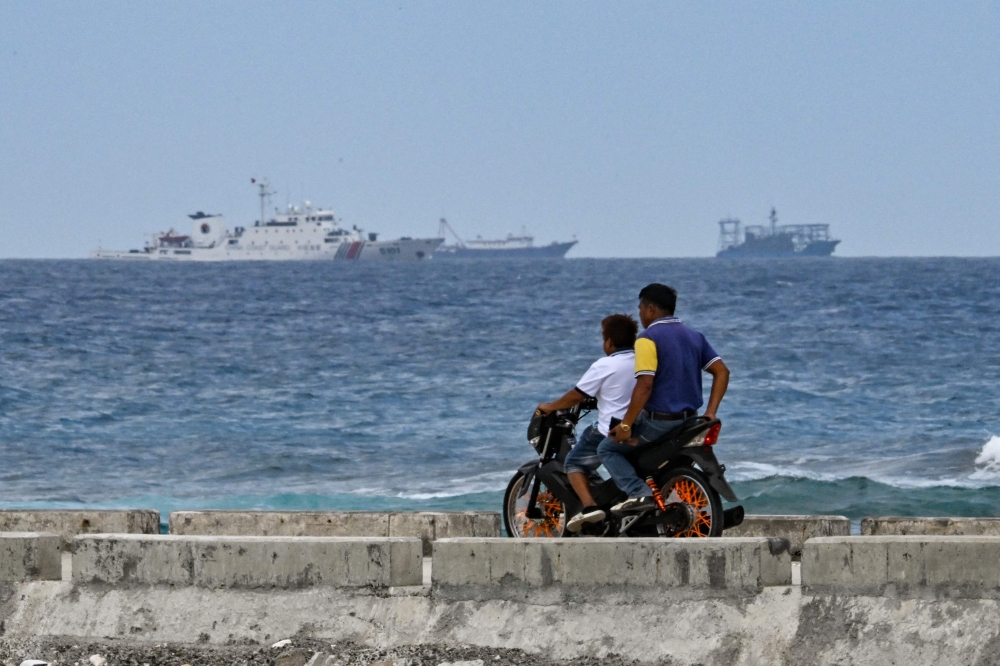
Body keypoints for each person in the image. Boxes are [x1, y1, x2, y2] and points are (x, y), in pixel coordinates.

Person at [598, 283, 730, 515]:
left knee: (608, 448)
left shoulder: (647, 338)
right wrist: (711, 412)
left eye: (640, 308)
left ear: (650, 309)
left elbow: (645, 384)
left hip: (660, 423)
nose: (639, 313)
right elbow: (722, 372)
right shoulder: (694, 337)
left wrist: (626, 425)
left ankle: (638, 493)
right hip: (690, 421)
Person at [536, 314, 638, 532]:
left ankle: (590, 508)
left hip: (612, 431)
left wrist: (551, 406)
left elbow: (577, 395)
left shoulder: (605, 364)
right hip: (640, 425)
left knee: (573, 462)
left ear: (609, 341)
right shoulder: (642, 361)